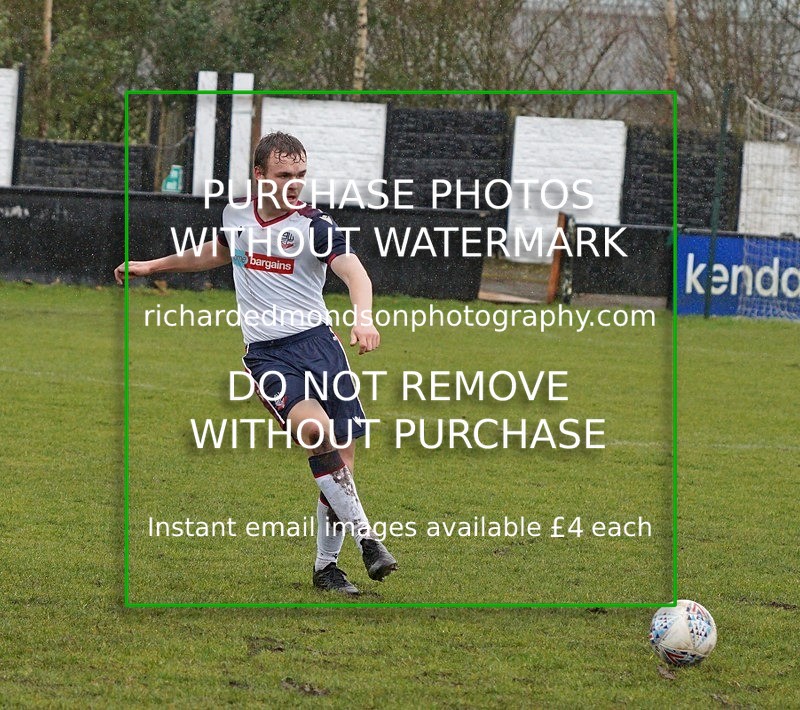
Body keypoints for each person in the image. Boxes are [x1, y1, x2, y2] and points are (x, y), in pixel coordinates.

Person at [114, 131, 397, 596]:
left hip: (320, 348)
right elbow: (219, 251)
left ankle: (326, 568)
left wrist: (362, 317)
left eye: (301, 174)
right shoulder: (236, 213)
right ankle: (368, 540)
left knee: (340, 462)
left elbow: (354, 272)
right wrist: (153, 266)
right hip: (268, 355)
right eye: (284, 175)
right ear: (259, 174)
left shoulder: (313, 224)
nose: (294, 183)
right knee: (316, 433)